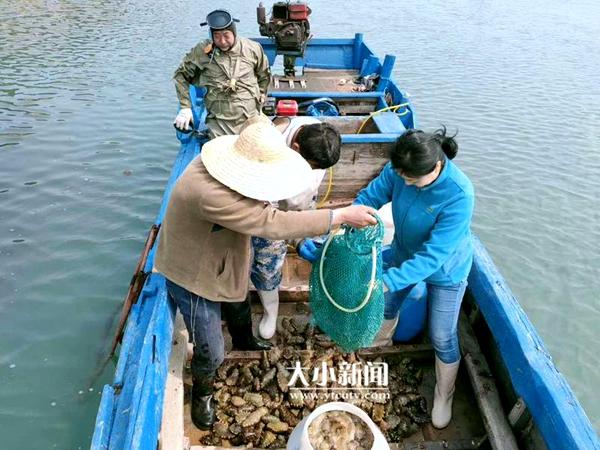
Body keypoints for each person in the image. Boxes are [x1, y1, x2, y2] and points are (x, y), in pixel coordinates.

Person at [154, 121, 376, 430]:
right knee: (211, 346)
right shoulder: (209, 194)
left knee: (237, 298)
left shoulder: (231, 160)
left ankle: (244, 338)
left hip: (224, 250)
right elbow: (270, 223)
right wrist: (337, 216)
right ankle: (204, 390)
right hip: (191, 270)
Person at [352, 127, 474, 429]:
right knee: (387, 306)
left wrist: (388, 280)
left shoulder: (459, 194)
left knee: (442, 334)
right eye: (401, 176)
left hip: (446, 270)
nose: (404, 182)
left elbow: (434, 256)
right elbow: (374, 193)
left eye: (412, 180)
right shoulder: (401, 168)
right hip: (404, 252)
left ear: (435, 168)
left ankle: (444, 393)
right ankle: (380, 345)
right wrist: (353, 214)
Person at [251, 116, 342, 339]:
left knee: (328, 250)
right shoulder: (267, 147)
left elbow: (307, 199)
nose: (314, 171)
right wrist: (288, 234)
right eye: (311, 167)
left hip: (302, 206)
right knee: (266, 261)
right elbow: (264, 211)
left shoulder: (319, 138)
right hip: (268, 208)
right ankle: (270, 311)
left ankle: (328, 303)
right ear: (295, 147)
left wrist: (303, 234)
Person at [172, 9, 270, 137]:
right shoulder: (202, 52)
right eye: (217, 36)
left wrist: (262, 93)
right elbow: (181, 76)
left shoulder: (252, 48)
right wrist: (185, 108)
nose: (222, 41)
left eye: (226, 35)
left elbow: (264, 74)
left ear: (234, 33)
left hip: (251, 117)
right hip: (219, 121)